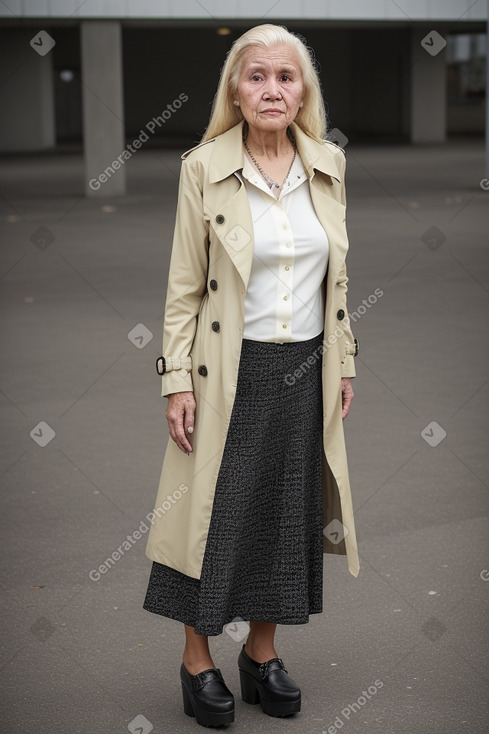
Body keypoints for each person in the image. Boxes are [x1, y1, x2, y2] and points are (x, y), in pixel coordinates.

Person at [143, 23, 360, 728]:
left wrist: (344, 361)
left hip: (304, 368)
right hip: (225, 371)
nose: (272, 88)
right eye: (256, 76)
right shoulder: (203, 167)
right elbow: (183, 287)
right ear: (235, 91)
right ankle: (196, 659)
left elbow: (339, 281)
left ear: (303, 92)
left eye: (285, 77)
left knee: (282, 517)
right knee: (207, 519)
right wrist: (176, 379)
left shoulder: (327, 163)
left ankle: (260, 654)